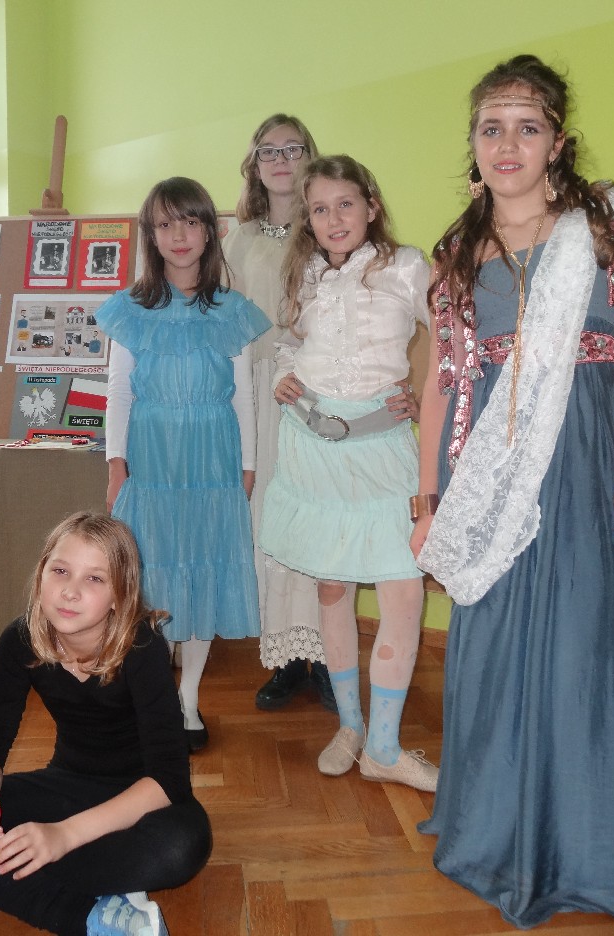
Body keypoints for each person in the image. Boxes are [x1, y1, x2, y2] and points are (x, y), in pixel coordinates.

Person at [411, 55, 614, 928]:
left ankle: (590, 852)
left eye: (527, 127)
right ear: (473, 143)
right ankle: (491, 834)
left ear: (557, 142)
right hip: (487, 479)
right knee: (489, 650)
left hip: (589, 466)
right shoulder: (455, 255)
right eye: (492, 128)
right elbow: (441, 383)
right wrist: (426, 500)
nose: (508, 144)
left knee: (585, 654)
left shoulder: (604, 236)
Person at [0, 512, 211, 936]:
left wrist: (63, 836)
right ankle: (87, 912)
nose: (70, 590)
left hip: (142, 800)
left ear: (120, 595)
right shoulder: (20, 640)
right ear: (41, 573)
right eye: (60, 570)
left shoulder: (142, 646)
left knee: (182, 847)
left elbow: (168, 781)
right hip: (65, 787)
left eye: (94, 579)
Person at [258, 155, 435, 792]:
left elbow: (454, 343)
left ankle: (385, 746)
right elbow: (292, 340)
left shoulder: (406, 266)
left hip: (382, 445)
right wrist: (284, 372)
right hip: (313, 444)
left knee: (403, 591)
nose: (333, 219)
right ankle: (352, 727)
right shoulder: (304, 274)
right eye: (319, 209)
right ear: (307, 219)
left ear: (371, 205)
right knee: (331, 587)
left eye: (345, 204)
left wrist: (425, 397)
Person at [99, 177, 269, 753]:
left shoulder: (231, 311)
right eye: (165, 223)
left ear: (210, 232)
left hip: (212, 463)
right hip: (151, 463)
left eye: (190, 222)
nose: (179, 235)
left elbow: (243, 397)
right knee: (151, 580)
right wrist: (115, 464)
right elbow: (119, 394)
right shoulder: (131, 309)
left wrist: (248, 466)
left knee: (201, 577)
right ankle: (151, 701)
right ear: (151, 234)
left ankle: (188, 699)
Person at [223, 114, 336, 713]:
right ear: (255, 163)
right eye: (269, 150)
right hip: (263, 393)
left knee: (321, 517)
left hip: (322, 389)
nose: (281, 159)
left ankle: (330, 657)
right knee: (274, 520)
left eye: (293, 149)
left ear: (309, 156)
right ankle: (289, 658)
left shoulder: (327, 225)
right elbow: (225, 322)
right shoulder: (237, 240)